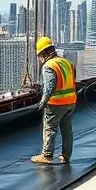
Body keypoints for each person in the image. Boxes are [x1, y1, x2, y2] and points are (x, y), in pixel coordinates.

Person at [31, 36, 76, 165]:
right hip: (71, 102)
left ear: (44, 53)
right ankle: (66, 155)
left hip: (56, 104)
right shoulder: (66, 62)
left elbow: (49, 87)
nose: (39, 59)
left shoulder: (49, 66)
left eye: (39, 56)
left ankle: (47, 155)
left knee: (50, 128)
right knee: (67, 129)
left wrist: (42, 102)